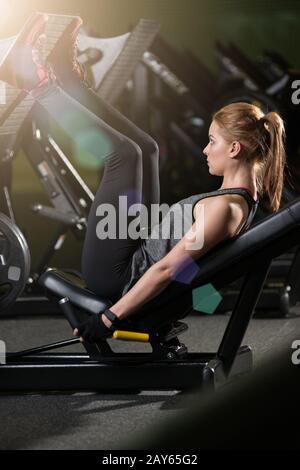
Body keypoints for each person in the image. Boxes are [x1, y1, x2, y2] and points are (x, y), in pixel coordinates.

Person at [0, 14, 286, 344]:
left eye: (213, 141)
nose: (205, 150)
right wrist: (190, 296)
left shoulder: (222, 210)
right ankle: (66, 75)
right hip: (135, 245)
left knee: (121, 155)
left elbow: (167, 270)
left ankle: (34, 82)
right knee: (145, 149)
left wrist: (109, 318)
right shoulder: (238, 200)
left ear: (235, 148)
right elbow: (192, 275)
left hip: (118, 274)